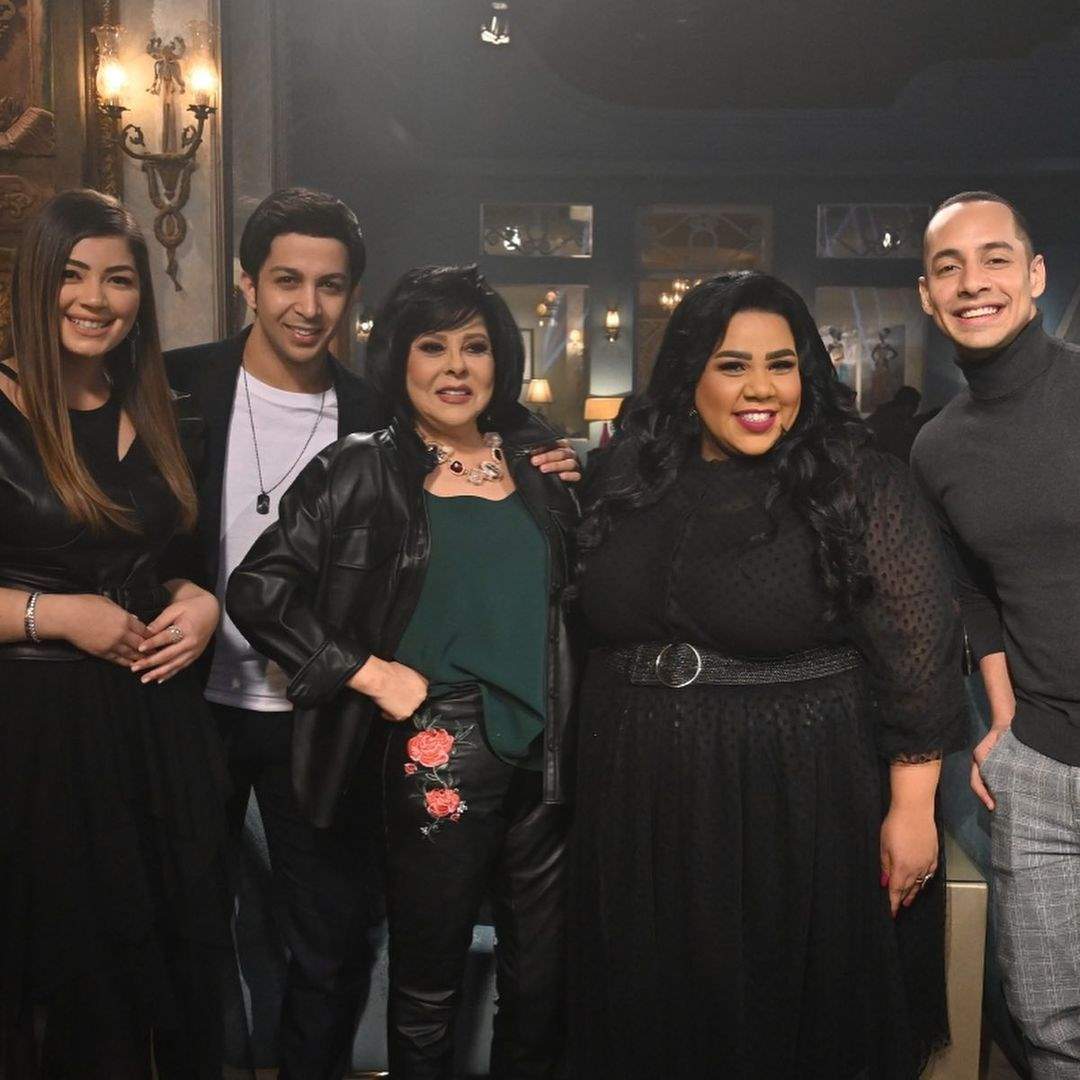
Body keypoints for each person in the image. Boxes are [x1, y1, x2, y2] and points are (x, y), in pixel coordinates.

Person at [163, 189, 581, 1079]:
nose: (456, 365)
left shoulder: (542, 472)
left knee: (541, 985)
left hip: (548, 761)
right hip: (419, 741)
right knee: (412, 983)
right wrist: (368, 672)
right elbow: (257, 587)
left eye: (475, 346)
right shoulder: (361, 461)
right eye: (433, 346)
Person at [569, 270, 966, 1079]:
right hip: (638, 792)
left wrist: (913, 811)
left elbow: (917, 653)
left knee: (787, 1024)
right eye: (732, 365)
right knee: (655, 1023)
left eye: (781, 365)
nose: (761, 389)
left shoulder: (857, 481)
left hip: (796, 790)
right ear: (689, 376)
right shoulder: (627, 478)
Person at [0, 190, 229, 1077]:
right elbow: (70, 587)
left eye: (119, 279)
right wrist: (55, 615)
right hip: (33, 741)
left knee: (157, 982)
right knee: (61, 990)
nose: (96, 299)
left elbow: (162, 561)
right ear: (34, 282)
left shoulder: (165, 409)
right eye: (73, 274)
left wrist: (199, 601)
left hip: (153, 730)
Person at [911, 191, 1080, 1080]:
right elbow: (972, 594)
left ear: (1036, 274)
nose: (973, 282)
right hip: (1041, 773)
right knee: (1050, 1029)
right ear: (928, 296)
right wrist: (1004, 724)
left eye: (996, 258)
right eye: (950, 267)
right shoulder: (936, 449)